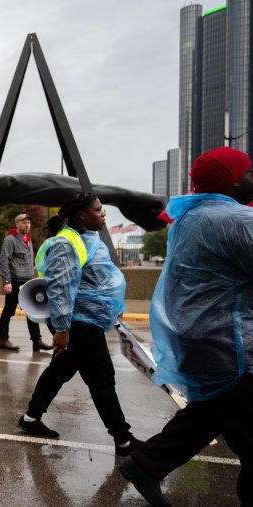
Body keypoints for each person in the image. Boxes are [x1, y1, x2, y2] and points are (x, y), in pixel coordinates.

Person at [118, 147, 253, 507]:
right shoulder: (237, 221)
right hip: (231, 343)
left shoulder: (192, 217)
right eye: (248, 172)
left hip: (203, 337)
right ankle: (145, 464)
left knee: (213, 412)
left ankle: (146, 464)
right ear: (235, 180)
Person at [16, 192, 142, 457]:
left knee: (60, 370)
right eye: (97, 210)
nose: (103, 213)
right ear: (82, 215)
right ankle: (123, 440)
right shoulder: (65, 243)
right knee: (102, 379)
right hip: (78, 324)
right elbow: (60, 288)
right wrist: (62, 330)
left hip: (89, 321)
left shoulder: (89, 238)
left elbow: (99, 280)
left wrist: (111, 310)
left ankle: (30, 419)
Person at [0, 213, 53, 352]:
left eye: (28, 222)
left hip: (28, 282)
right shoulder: (10, 240)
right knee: (9, 311)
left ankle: (37, 341)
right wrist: (7, 281)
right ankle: (3, 339)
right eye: (23, 222)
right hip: (15, 282)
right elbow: (4, 261)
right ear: (16, 224)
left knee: (31, 312)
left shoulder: (28, 239)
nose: (27, 225)